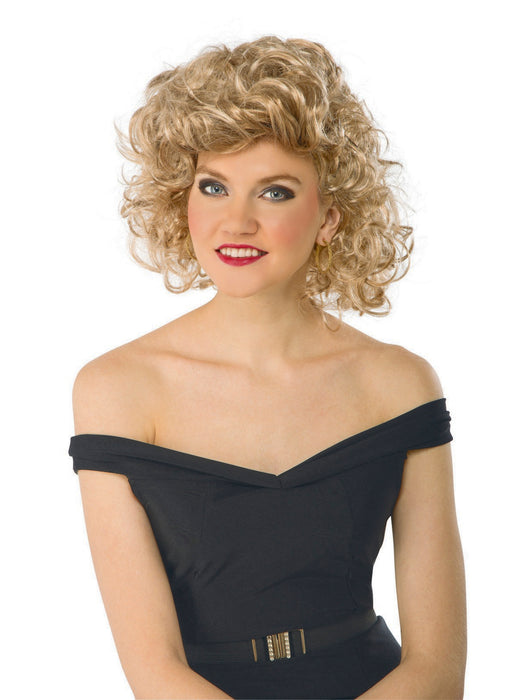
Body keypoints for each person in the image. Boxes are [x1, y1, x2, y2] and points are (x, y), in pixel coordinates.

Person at [68, 35, 467, 699]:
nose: (236, 221)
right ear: (181, 200)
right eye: (213, 187)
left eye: (275, 192)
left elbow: (436, 671)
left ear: (329, 218)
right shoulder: (118, 389)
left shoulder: (398, 384)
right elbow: (154, 669)